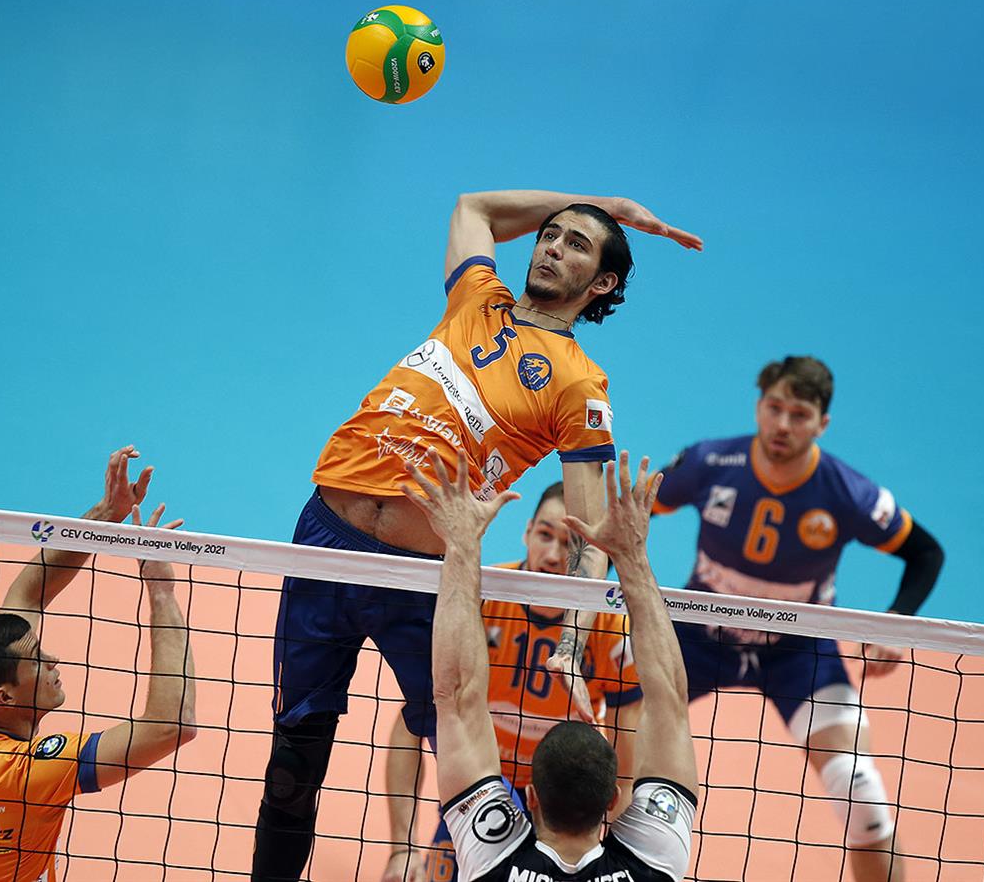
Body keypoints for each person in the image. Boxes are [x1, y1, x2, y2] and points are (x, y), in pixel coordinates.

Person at [253, 188, 701, 882]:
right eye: (551, 235)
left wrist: (574, 639)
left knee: (466, 750)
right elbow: (474, 209)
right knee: (292, 761)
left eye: (577, 245)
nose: (552, 247)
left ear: (603, 283)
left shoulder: (579, 385)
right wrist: (599, 203)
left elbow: (590, 535)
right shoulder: (476, 297)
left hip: (419, 577)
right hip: (324, 542)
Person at [652, 356, 945, 882]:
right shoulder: (710, 462)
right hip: (696, 635)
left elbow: (926, 553)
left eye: (800, 414)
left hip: (798, 651)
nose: (783, 425)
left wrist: (896, 625)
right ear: (758, 407)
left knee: (860, 793)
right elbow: (631, 513)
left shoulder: (847, 493)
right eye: (774, 408)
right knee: (608, 748)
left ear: (822, 424)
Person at [405, 448, 698, 882]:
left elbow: (456, 697)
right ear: (612, 801)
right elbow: (671, 701)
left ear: (531, 798)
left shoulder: (492, 863)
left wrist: (461, 543)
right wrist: (630, 555)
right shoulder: (654, 864)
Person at [0, 446, 197, 882]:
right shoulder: (27, 771)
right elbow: (172, 725)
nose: (52, 659)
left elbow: (27, 596)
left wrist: (106, 516)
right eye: (37, 660)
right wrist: (160, 589)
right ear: (4, 697)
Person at [380, 482, 642, 882]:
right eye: (544, 535)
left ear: (592, 555)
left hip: (563, 800)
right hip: (481, 785)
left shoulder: (610, 628)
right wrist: (403, 849)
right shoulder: (481, 599)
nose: (553, 556)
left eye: (569, 545)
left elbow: (626, 768)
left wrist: (610, 858)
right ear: (527, 531)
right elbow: (410, 726)